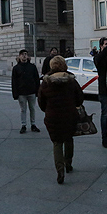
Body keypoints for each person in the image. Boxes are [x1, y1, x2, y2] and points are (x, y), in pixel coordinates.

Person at [38, 56, 83, 184]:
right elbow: (79, 98)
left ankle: (60, 171)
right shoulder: (71, 81)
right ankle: (68, 163)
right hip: (70, 115)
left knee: (57, 143)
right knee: (69, 139)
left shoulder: (46, 82)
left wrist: (47, 110)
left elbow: (41, 100)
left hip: (53, 116)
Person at [12, 49, 41, 134]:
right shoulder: (16, 68)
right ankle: (23, 125)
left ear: (28, 56)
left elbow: (36, 79)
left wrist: (38, 91)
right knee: (23, 109)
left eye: (25, 54)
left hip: (31, 91)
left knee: (32, 109)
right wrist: (15, 94)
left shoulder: (32, 67)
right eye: (22, 54)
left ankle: (33, 124)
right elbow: (14, 82)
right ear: (19, 56)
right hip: (21, 92)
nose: (24, 56)